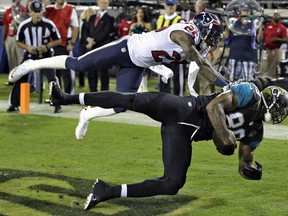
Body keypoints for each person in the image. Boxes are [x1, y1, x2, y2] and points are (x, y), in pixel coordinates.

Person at [49, 80, 288, 211]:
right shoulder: (250, 93)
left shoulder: (256, 132)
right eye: (277, 108)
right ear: (269, 100)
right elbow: (213, 107)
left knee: (173, 183)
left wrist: (249, 169)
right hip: (183, 108)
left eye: (281, 112)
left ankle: (107, 190)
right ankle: (66, 98)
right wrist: (224, 132)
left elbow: (244, 158)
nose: (277, 114)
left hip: (183, 132)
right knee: (129, 99)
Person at [9, 12, 228, 140]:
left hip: (137, 65)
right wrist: (226, 85)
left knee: (122, 104)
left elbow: (200, 67)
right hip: (125, 48)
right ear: (203, 28)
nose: (214, 39)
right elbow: (201, 63)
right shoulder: (185, 33)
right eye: (214, 33)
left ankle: (87, 114)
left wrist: (221, 83)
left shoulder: (195, 42)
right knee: (78, 65)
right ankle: (31, 64)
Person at [7, 0, 62, 113]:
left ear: (43, 12)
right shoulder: (24, 25)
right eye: (35, 12)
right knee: (20, 76)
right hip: (30, 55)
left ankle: (57, 104)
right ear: (30, 12)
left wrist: (47, 46)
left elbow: (58, 40)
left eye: (39, 11)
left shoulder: (49, 24)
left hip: (46, 56)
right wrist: (27, 48)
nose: (37, 14)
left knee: (52, 79)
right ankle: (14, 103)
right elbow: (18, 41)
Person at [45, 0, 79, 95]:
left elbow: (75, 27)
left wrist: (72, 43)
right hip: (52, 44)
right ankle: (57, 94)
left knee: (66, 71)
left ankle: (68, 94)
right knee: (54, 72)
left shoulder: (70, 9)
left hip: (64, 44)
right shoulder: (48, 9)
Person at [156, 0, 185, 95]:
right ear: (165, 6)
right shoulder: (160, 18)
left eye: (172, 5)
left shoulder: (180, 20)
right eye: (168, 5)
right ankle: (164, 100)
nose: (170, 7)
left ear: (175, 6)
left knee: (178, 78)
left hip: (176, 54)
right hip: (162, 54)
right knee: (164, 78)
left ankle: (179, 100)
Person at [85, 0, 115, 92]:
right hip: (91, 49)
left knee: (103, 72)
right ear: (98, 3)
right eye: (102, 2)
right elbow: (86, 30)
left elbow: (105, 33)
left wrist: (93, 41)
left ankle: (104, 93)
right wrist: (87, 39)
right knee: (91, 72)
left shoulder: (110, 19)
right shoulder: (92, 17)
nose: (103, 4)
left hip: (102, 49)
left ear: (108, 5)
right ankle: (92, 92)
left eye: (105, 3)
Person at [224, 4, 258, 82]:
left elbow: (258, 40)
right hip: (234, 56)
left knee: (248, 82)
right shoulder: (234, 23)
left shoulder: (253, 24)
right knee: (233, 82)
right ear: (240, 12)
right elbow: (226, 36)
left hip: (248, 57)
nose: (245, 12)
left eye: (247, 10)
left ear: (250, 12)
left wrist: (261, 28)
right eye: (244, 10)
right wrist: (226, 24)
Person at [2, 0, 27, 86]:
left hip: (19, 38)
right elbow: (5, 25)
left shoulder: (24, 10)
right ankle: (11, 79)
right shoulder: (8, 11)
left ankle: (21, 79)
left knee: (20, 59)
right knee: (11, 60)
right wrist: (3, 39)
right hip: (10, 37)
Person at [257, 10, 288, 78]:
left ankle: (272, 82)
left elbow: (286, 40)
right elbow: (261, 38)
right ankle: (262, 81)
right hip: (266, 50)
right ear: (272, 16)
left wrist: (276, 39)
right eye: (275, 14)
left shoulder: (282, 27)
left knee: (273, 68)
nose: (276, 16)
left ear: (280, 17)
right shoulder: (268, 26)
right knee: (263, 68)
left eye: (278, 14)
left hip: (276, 50)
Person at [78, 7, 96, 88]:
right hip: (83, 46)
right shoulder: (83, 23)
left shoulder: (95, 23)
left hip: (92, 46)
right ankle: (81, 83)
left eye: (92, 12)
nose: (91, 14)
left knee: (91, 68)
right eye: (89, 12)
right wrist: (89, 40)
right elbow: (83, 35)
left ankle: (92, 85)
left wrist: (91, 42)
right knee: (81, 65)